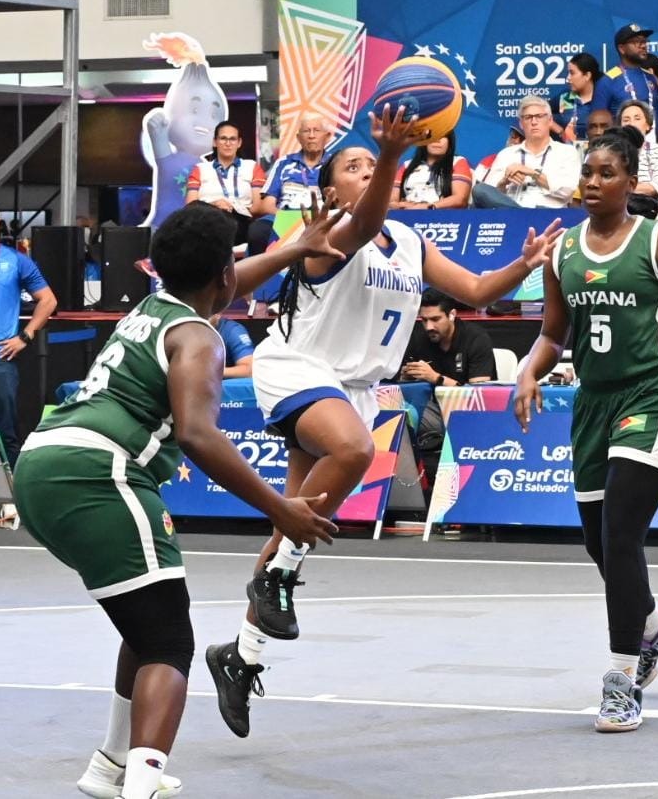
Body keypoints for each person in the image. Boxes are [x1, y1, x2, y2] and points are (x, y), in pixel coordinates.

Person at [205, 105, 563, 740]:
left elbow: (478, 292)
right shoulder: (330, 232)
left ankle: (239, 656)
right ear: (330, 188)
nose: (369, 170)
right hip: (300, 369)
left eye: (373, 163)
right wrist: (394, 151)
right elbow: (369, 216)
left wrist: (526, 265)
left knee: (301, 516)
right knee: (350, 454)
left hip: (355, 385)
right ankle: (273, 579)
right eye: (355, 165)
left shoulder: (411, 242)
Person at [14, 201, 341, 799]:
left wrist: (296, 248)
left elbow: (224, 278)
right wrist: (279, 507)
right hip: (98, 472)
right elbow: (197, 433)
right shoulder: (200, 338)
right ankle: (141, 788)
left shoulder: (154, 305)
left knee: (145, 622)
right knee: (170, 642)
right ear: (222, 276)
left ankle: (110, 768)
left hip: (41, 462)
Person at [514, 125, 658, 733]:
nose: (594, 183)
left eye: (607, 174)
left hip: (654, 393)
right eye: (587, 173)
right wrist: (528, 372)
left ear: (631, 183)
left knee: (621, 533)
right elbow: (554, 334)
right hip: (593, 401)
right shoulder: (564, 252)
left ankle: (622, 677)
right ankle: (651, 624)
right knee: (598, 543)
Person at [399, 287, 497, 497]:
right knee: (399, 415)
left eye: (435, 319)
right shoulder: (417, 339)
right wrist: (405, 378)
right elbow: (402, 386)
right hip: (430, 410)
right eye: (424, 320)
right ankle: (412, 491)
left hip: (470, 415)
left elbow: (479, 397)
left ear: (452, 314)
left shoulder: (476, 339)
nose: (428, 326)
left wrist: (436, 378)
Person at [0, 195, 56, 468]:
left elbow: (48, 300)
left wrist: (25, 336)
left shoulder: (15, 261)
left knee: (6, 433)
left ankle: (14, 498)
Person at [473, 94, 580, 208]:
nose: (534, 122)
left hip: (548, 215)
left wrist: (532, 173)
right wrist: (503, 182)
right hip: (510, 214)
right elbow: (488, 196)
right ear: (521, 123)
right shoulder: (506, 154)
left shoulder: (567, 152)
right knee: (479, 189)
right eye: (528, 117)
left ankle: (523, 215)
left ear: (550, 121)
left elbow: (567, 191)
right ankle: (522, 214)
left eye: (539, 116)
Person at [248, 113, 332, 256]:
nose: (311, 136)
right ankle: (263, 277)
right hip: (283, 217)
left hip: (320, 221)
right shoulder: (284, 163)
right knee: (258, 231)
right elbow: (266, 206)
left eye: (316, 130)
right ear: (299, 138)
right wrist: (291, 221)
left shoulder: (334, 164)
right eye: (306, 131)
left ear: (327, 136)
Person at [185, 121, 266, 246]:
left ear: (239, 143)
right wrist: (214, 205)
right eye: (223, 138)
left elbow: (257, 207)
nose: (228, 143)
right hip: (207, 219)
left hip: (241, 220)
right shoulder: (200, 169)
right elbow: (191, 206)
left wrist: (235, 207)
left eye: (232, 139)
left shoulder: (251, 167)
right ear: (215, 142)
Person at [618, 99, 658, 217]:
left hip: (652, 213)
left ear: (648, 125)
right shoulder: (612, 152)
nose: (631, 123)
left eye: (637, 119)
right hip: (617, 212)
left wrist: (617, 189)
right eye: (626, 120)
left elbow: (657, 188)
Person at [390, 134, 472, 209]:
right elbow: (391, 200)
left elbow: (460, 199)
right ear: (424, 141)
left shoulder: (457, 162)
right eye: (433, 136)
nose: (437, 140)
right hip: (406, 215)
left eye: (443, 136)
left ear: (449, 142)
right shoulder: (406, 165)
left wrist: (428, 207)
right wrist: (403, 206)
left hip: (442, 219)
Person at [596, 24, 658, 119]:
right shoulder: (608, 81)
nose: (643, 46)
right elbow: (598, 121)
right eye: (637, 42)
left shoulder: (650, 77)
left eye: (644, 41)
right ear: (622, 49)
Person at [553, 53, 604, 144]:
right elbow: (542, 114)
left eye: (572, 73)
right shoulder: (566, 97)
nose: (568, 78)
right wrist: (561, 131)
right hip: (569, 154)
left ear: (587, 76)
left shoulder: (603, 97)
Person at [210, 313, 255, 379]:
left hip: (222, 385)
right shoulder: (191, 327)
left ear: (218, 314)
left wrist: (210, 372)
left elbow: (249, 370)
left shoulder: (233, 330)